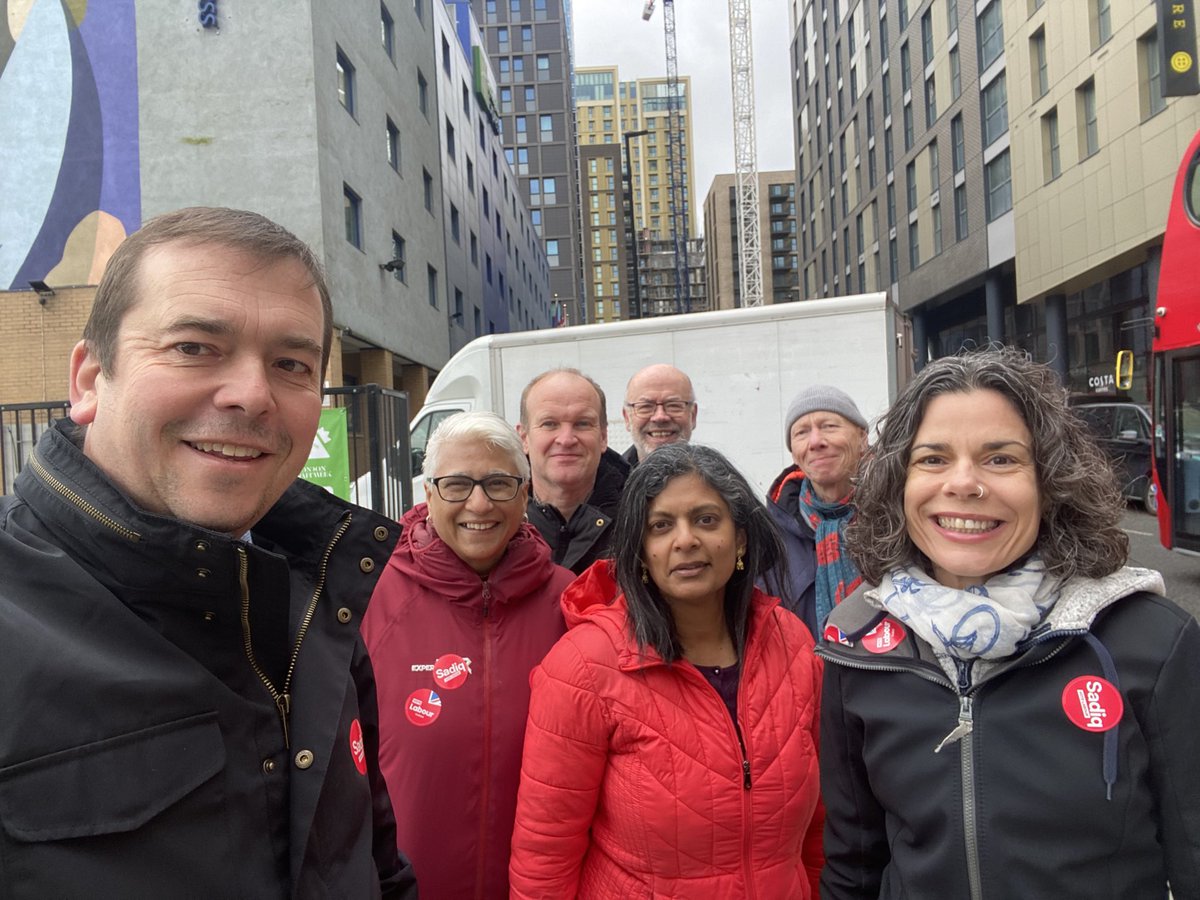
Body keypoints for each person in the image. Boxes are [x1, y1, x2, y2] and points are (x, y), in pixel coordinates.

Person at [0, 207, 415, 897]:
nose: (252, 394)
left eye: (291, 363)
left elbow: (374, 862)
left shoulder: (315, 598)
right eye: (194, 347)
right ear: (88, 379)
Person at [819, 348, 1200, 898]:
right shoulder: (856, 647)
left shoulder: (1152, 643)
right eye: (932, 459)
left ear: (1051, 480)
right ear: (898, 482)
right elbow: (854, 867)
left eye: (1000, 459)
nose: (964, 483)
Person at [509, 443, 825, 897]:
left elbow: (818, 832)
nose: (685, 540)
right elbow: (545, 855)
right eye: (661, 526)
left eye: (706, 519)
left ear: (740, 538)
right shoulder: (583, 667)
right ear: (639, 550)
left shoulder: (792, 644)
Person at [362, 411, 574, 898]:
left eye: (499, 483)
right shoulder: (368, 599)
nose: (479, 503)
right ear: (429, 493)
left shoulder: (573, 603)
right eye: (456, 484)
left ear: (526, 493)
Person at [764, 384, 869, 637]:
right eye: (801, 432)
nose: (815, 442)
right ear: (794, 453)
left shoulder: (899, 515)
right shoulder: (770, 536)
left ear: (862, 437)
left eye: (829, 426)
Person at [516, 368, 630, 574]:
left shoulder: (641, 519)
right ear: (523, 437)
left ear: (603, 436)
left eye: (582, 423)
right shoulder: (498, 522)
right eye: (549, 424)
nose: (566, 439)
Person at [620, 363, 698, 465]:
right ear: (627, 418)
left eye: (673, 405)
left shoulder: (721, 479)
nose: (660, 417)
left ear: (693, 415)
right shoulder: (606, 480)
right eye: (646, 406)